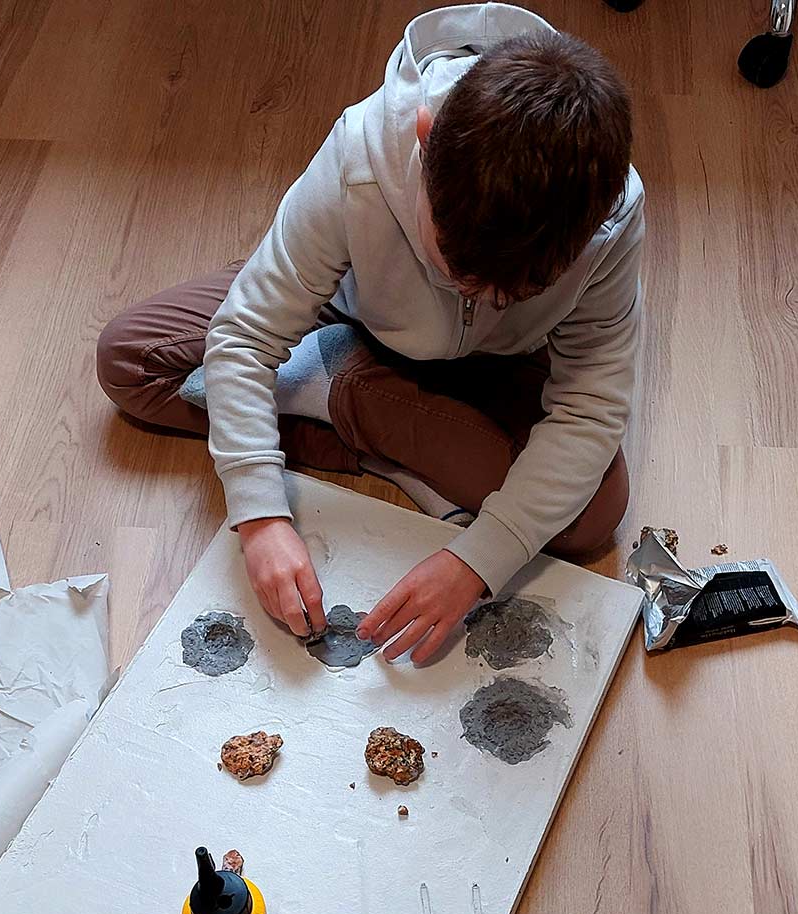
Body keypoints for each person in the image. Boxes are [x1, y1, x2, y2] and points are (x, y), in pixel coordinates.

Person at [96, 3, 643, 665]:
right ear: (425, 137)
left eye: (512, 292)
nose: (477, 296)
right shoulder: (363, 151)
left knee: (594, 514)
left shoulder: (608, 217)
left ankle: (333, 394)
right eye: (454, 266)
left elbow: (588, 407)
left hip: (498, 366)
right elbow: (243, 337)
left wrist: (478, 560)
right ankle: (371, 412)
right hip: (349, 310)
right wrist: (260, 516)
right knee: (131, 361)